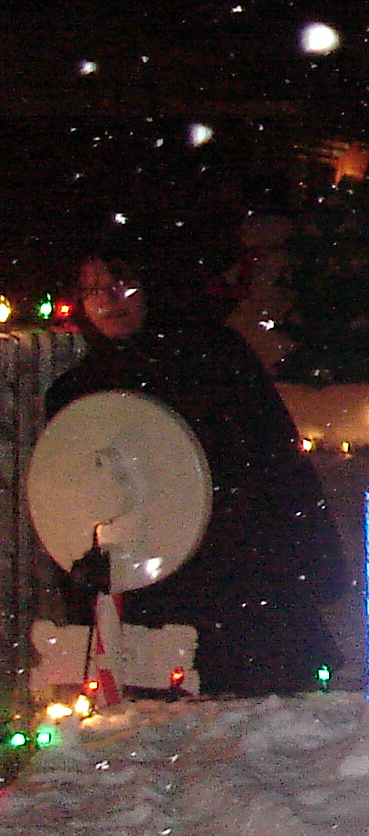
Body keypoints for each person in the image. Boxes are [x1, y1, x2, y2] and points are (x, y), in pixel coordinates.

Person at [48, 239, 346, 698]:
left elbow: (271, 457)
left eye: (121, 284)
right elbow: (73, 496)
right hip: (150, 580)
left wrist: (302, 551)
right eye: (93, 291)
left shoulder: (213, 357)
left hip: (237, 568)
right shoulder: (78, 393)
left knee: (254, 707)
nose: (108, 301)